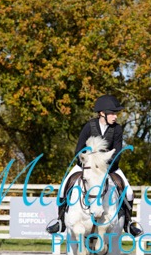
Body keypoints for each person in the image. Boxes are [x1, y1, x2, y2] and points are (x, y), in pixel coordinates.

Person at [46, 94, 143, 236]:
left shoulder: (117, 129)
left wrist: (103, 165)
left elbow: (117, 152)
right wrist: (88, 163)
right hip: (86, 166)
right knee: (63, 189)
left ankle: (128, 223)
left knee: (129, 192)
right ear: (102, 113)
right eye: (112, 113)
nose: (115, 116)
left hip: (109, 167)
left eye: (115, 113)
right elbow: (79, 150)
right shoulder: (89, 126)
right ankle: (60, 221)